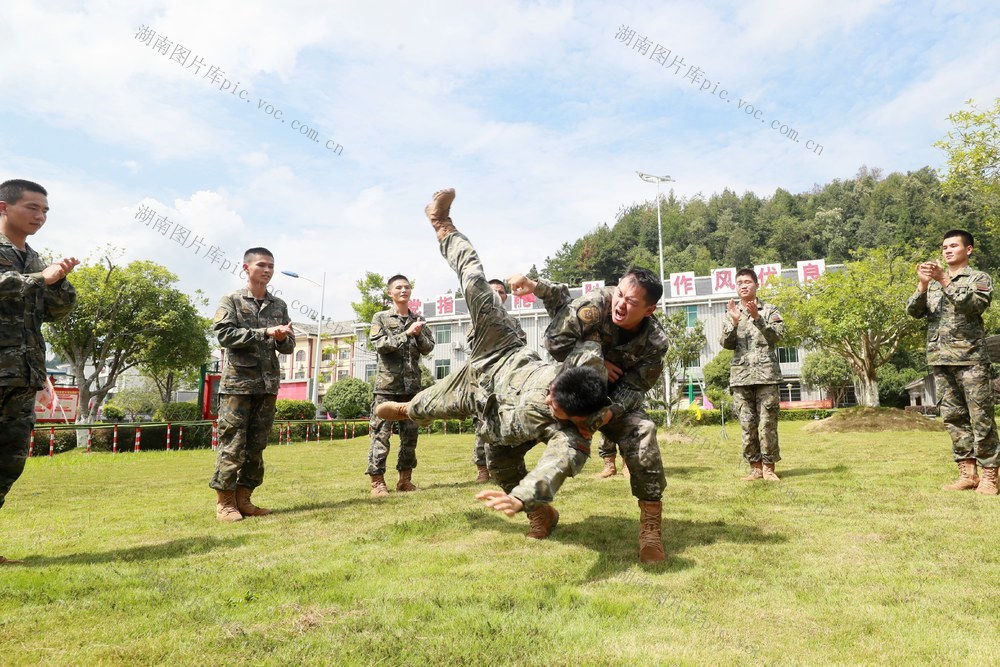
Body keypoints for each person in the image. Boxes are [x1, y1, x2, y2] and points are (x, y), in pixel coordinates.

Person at [377, 189, 628, 550]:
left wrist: (521, 498)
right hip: (501, 350)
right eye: (552, 394)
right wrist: (604, 353)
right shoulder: (583, 366)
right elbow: (590, 337)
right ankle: (442, 224)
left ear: (573, 420)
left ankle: (539, 514)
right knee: (476, 285)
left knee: (498, 464)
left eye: (555, 407)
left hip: (488, 406)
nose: (549, 400)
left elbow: (552, 469)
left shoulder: (575, 438)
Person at [511, 266, 669, 562]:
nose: (620, 304)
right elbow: (554, 342)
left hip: (612, 402)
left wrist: (606, 415)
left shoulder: (655, 342)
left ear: (649, 310)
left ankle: (651, 528)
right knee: (503, 445)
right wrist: (596, 360)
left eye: (632, 302)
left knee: (643, 431)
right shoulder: (595, 305)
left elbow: (636, 387)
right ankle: (539, 513)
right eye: (620, 294)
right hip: (569, 394)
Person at [0, 179, 78, 564]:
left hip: (23, 374)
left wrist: (59, 282)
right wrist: (40, 279)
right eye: (32, 207)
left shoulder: (34, 259)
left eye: (45, 210)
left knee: (8, 462)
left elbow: (57, 311)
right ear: (3, 207)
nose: (40, 216)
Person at [906, 229, 998, 495]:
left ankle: (990, 475)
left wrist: (944, 279)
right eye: (944, 247)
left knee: (981, 419)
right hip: (941, 359)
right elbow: (913, 311)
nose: (947, 250)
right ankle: (968, 473)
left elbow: (973, 305)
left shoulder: (979, 278)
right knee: (953, 418)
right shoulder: (933, 283)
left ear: (968, 250)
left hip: (971, 359)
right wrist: (923, 285)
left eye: (953, 246)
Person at [210, 248, 295, 521]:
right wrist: (264, 332)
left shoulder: (279, 305)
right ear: (246, 268)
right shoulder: (232, 300)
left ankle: (244, 499)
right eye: (261, 265)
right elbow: (224, 335)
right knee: (232, 444)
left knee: (256, 447)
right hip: (238, 386)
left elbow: (289, 346)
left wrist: (281, 338)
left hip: (267, 385)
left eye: (271, 266)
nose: (267, 270)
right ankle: (225, 503)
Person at [365, 274, 435, 497]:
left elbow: (428, 347)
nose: (403, 290)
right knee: (381, 436)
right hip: (387, 388)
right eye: (398, 287)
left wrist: (418, 333)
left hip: (412, 388)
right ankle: (377, 482)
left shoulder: (418, 319)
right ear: (390, 293)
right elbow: (381, 345)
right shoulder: (381, 318)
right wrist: (407, 333)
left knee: (410, 437)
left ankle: (405, 480)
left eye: (406, 287)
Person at [720, 268, 785, 481]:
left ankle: (769, 467)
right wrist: (734, 322)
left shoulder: (769, 310)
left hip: (767, 376)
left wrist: (758, 318)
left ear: (757, 285)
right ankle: (755, 467)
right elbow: (725, 343)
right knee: (747, 426)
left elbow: (777, 336)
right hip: (741, 377)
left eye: (747, 282)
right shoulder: (732, 312)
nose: (743, 286)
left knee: (767, 425)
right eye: (739, 283)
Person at [469, 279, 527, 483]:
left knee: (507, 421)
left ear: (505, 297)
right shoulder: (478, 319)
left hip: (506, 381)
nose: (497, 295)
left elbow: (521, 347)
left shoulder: (514, 322)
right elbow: (474, 347)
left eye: (501, 292)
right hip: (484, 380)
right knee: (482, 423)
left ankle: (507, 465)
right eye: (493, 291)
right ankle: (482, 468)